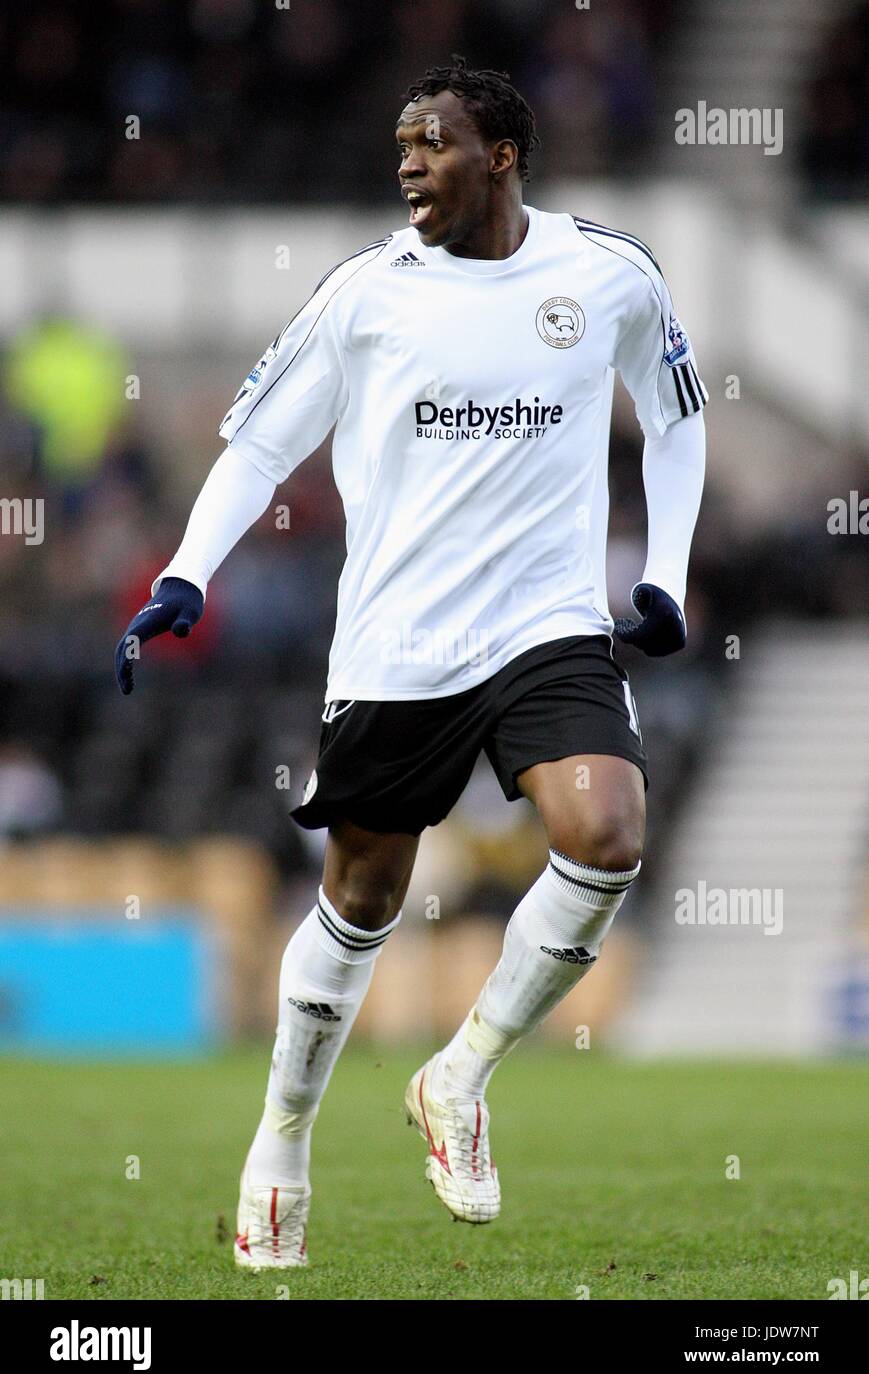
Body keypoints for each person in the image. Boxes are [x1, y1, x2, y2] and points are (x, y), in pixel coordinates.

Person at [115, 56, 707, 1269]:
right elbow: (259, 443)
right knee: (364, 894)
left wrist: (666, 573)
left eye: (431, 141)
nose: (406, 163)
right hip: (398, 637)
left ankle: (461, 1075)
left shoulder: (606, 273)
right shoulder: (362, 294)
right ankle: (281, 1137)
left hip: (545, 623)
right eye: (398, 144)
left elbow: (679, 410)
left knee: (607, 834)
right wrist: (185, 571)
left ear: (500, 154)